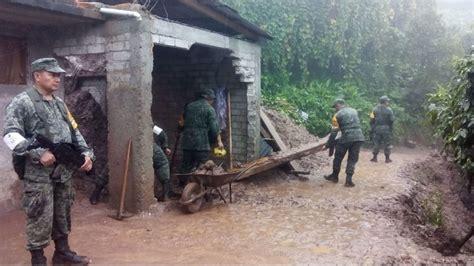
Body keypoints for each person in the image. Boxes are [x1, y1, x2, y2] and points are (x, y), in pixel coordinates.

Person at [3, 58, 94, 265]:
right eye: (52, 74)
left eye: (59, 75)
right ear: (37, 76)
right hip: (38, 174)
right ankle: (38, 260)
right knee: (39, 214)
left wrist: (86, 153)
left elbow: (74, 130)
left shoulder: (60, 103)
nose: (57, 78)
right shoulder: (22, 102)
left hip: (63, 171)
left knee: (62, 211)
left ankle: (62, 253)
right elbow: (10, 135)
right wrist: (38, 153)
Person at [180, 89, 224, 175]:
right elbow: (214, 127)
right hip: (201, 143)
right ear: (209, 99)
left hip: (187, 142)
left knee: (186, 164)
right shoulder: (209, 109)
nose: (212, 102)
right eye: (212, 100)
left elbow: (183, 121)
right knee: (204, 165)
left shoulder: (189, 106)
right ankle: (202, 184)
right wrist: (219, 141)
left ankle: (183, 183)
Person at [324, 99, 365, 187]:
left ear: (338, 105)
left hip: (346, 137)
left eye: (335, 107)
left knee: (338, 157)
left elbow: (334, 132)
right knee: (352, 159)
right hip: (359, 137)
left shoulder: (337, 115)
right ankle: (348, 181)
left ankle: (334, 177)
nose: (335, 109)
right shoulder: (354, 111)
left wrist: (328, 144)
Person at [152, 125, 178, 201]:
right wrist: (165, 147)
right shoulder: (149, 124)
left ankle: (167, 192)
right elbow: (161, 133)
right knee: (163, 163)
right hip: (152, 148)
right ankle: (166, 195)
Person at [370, 95, 395, 163]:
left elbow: (371, 119)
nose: (388, 102)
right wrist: (390, 128)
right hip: (386, 129)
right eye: (387, 101)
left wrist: (372, 128)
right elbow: (392, 120)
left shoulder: (374, 109)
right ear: (385, 102)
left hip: (377, 128)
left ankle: (374, 157)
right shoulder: (389, 110)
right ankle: (387, 159)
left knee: (376, 143)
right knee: (387, 143)